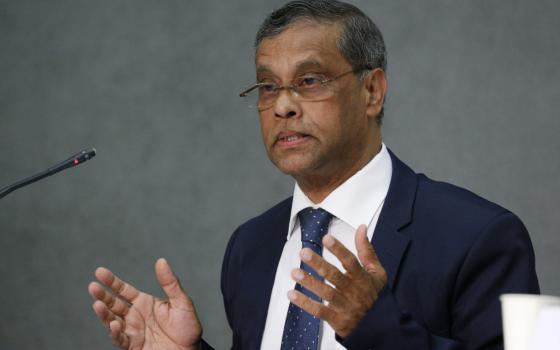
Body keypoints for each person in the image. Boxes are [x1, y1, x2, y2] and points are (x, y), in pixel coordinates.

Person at [88, 1, 539, 349]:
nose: (282, 106)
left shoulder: (478, 237)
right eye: (268, 86)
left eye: (309, 81)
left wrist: (377, 328)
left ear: (372, 91)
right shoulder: (251, 247)